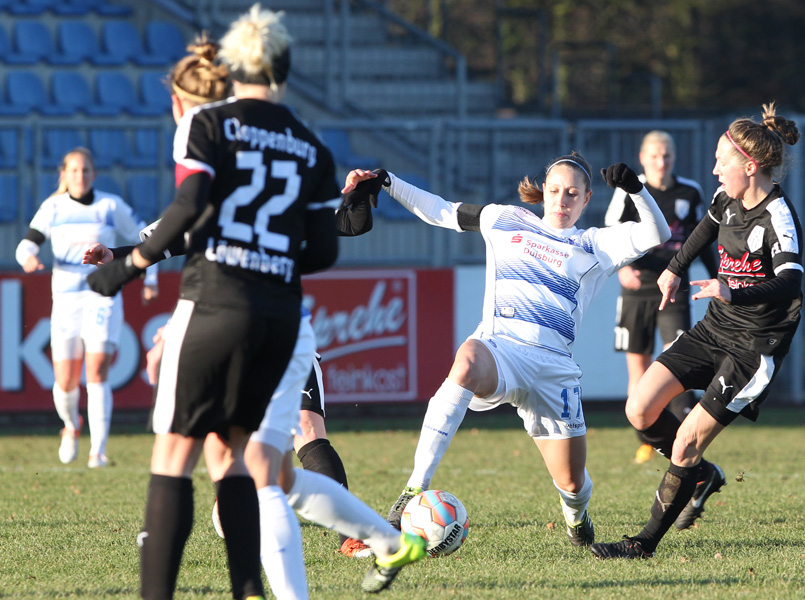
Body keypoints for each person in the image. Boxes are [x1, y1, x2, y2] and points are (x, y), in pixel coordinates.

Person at [86, 5, 420, 598]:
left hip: (215, 304)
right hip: (282, 319)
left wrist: (129, 266)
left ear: (232, 69)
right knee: (255, 468)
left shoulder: (208, 125)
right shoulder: (310, 146)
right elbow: (323, 251)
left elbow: (189, 212)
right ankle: (333, 559)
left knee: (179, 457)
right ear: (286, 72)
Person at [342, 153, 669, 548]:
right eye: (554, 191)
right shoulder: (505, 219)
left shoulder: (596, 243)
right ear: (543, 193)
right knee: (465, 363)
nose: (561, 201)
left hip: (553, 369)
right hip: (502, 350)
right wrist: (388, 180)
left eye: (571, 194)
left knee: (571, 482)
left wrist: (637, 190)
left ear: (586, 199)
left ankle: (577, 517)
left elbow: (657, 233)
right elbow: (441, 211)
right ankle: (412, 492)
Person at [590, 103, 803, 559]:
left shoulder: (778, 216)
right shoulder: (727, 199)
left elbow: (791, 281)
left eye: (721, 160)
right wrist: (673, 269)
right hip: (714, 330)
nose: (714, 169)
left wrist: (732, 291)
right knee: (640, 409)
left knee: (685, 439)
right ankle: (702, 475)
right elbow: (703, 230)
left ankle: (644, 543)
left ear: (750, 166)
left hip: (753, 348)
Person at [14, 147, 159, 469]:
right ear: (63, 175)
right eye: (74, 171)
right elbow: (26, 243)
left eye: (86, 170)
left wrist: (152, 278)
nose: (80, 176)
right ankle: (71, 425)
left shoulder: (110, 205)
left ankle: (99, 451)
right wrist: (27, 258)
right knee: (65, 380)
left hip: (102, 295)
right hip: (65, 300)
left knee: (96, 372)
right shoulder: (53, 207)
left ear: (94, 174)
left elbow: (151, 238)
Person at [603, 131, 717, 465]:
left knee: (676, 361)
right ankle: (647, 438)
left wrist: (716, 275)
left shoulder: (690, 191)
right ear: (642, 158)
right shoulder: (630, 189)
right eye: (654, 155)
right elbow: (611, 234)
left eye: (666, 155)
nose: (661, 161)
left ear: (674, 158)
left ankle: (684, 437)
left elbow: (703, 239)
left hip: (675, 286)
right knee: (638, 368)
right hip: (638, 287)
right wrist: (621, 268)